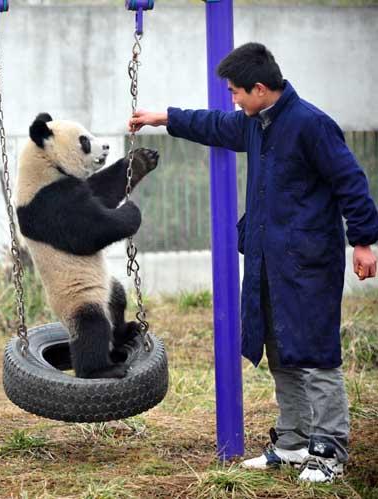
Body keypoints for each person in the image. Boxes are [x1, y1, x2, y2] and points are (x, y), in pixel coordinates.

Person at [129, 42, 378, 483]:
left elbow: (351, 182)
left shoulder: (312, 125)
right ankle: (294, 442)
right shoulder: (255, 124)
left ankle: (329, 450)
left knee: (316, 355)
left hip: (308, 263)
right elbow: (213, 124)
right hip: (267, 260)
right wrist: (163, 117)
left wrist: (362, 242)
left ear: (259, 88)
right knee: (281, 349)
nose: (233, 100)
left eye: (235, 92)